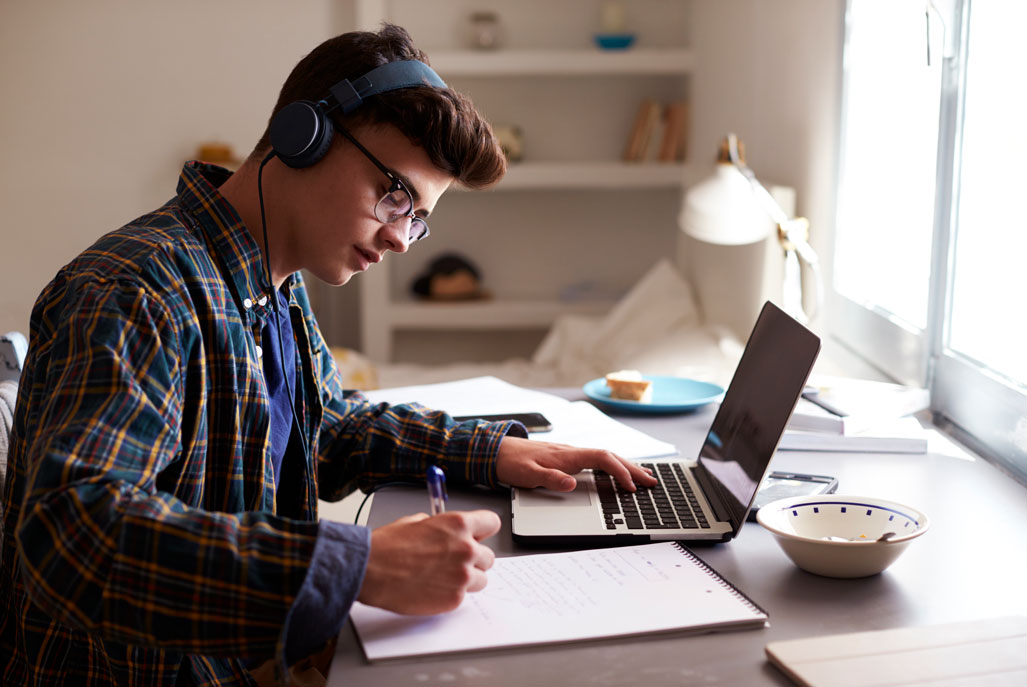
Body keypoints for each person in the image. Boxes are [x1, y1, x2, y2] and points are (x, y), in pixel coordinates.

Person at [0, 24, 655, 686]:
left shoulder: (275, 286)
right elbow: (70, 534)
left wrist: (492, 453)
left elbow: (327, 430)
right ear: (302, 136)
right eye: (396, 197)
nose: (403, 241)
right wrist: (356, 565)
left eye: (419, 218)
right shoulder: (140, 291)